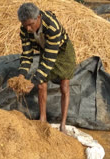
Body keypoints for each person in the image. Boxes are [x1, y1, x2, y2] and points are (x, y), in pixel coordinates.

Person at [17, 3, 76, 134]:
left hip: (62, 52)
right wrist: (21, 76)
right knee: (41, 85)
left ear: (38, 17)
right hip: (46, 50)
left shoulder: (52, 27)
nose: (27, 28)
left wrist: (33, 81)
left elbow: (49, 59)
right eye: (24, 24)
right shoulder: (24, 29)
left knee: (64, 86)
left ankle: (63, 124)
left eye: (30, 24)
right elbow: (27, 54)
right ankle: (42, 119)